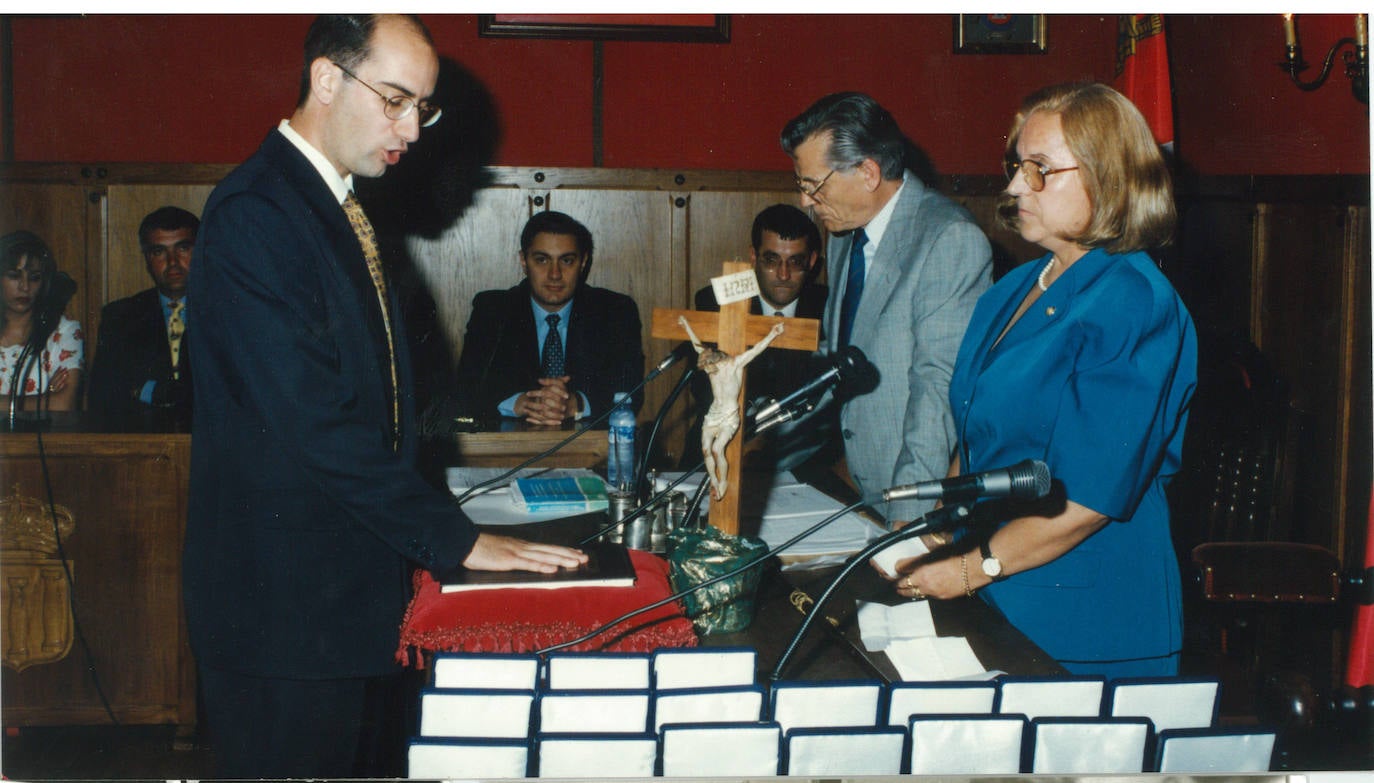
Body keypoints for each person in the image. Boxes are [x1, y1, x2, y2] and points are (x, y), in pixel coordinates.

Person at [182, 15, 586, 778]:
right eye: (395, 100)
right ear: (326, 79)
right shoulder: (257, 213)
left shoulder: (334, 201)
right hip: (285, 619)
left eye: (422, 108)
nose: (412, 129)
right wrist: (456, 539)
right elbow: (313, 422)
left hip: (346, 600)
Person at [888, 82, 1198, 679]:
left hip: (1084, 612)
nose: (1013, 187)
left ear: (1108, 176)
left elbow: (1086, 501)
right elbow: (977, 433)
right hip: (996, 582)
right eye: (1015, 166)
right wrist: (936, 531)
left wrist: (968, 569)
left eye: (1039, 170)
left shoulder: (1133, 301)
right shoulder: (1013, 288)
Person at [781, 92, 992, 524]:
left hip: (918, 498)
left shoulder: (949, 238)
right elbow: (842, 360)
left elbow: (937, 391)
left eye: (813, 185)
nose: (805, 202)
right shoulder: (845, 234)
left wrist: (910, 517)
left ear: (868, 172)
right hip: (862, 484)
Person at [449, 210, 644, 425]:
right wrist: (518, 403)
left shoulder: (615, 311)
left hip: (590, 443)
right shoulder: (493, 310)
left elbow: (631, 392)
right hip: (510, 442)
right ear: (524, 261)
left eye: (567, 261)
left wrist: (576, 404)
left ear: (583, 262)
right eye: (542, 260)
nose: (555, 274)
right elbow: (466, 389)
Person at [686, 203, 834, 473]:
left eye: (796, 262)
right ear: (753, 257)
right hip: (726, 445)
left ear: (812, 261)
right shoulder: (716, 301)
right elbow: (702, 388)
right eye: (771, 260)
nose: (783, 275)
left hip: (804, 454)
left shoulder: (829, 307)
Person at [86, 206, 198, 425]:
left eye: (183, 248)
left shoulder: (226, 312)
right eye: (159, 252)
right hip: (141, 435)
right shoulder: (120, 316)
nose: (173, 262)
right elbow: (104, 398)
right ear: (147, 258)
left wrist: (147, 390)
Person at [0, 231, 82, 413]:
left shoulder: (64, 331)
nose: (25, 287)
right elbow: (54, 403)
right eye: (14, 275)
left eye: (34, 277)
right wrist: (45, 398)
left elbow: (64, 404)